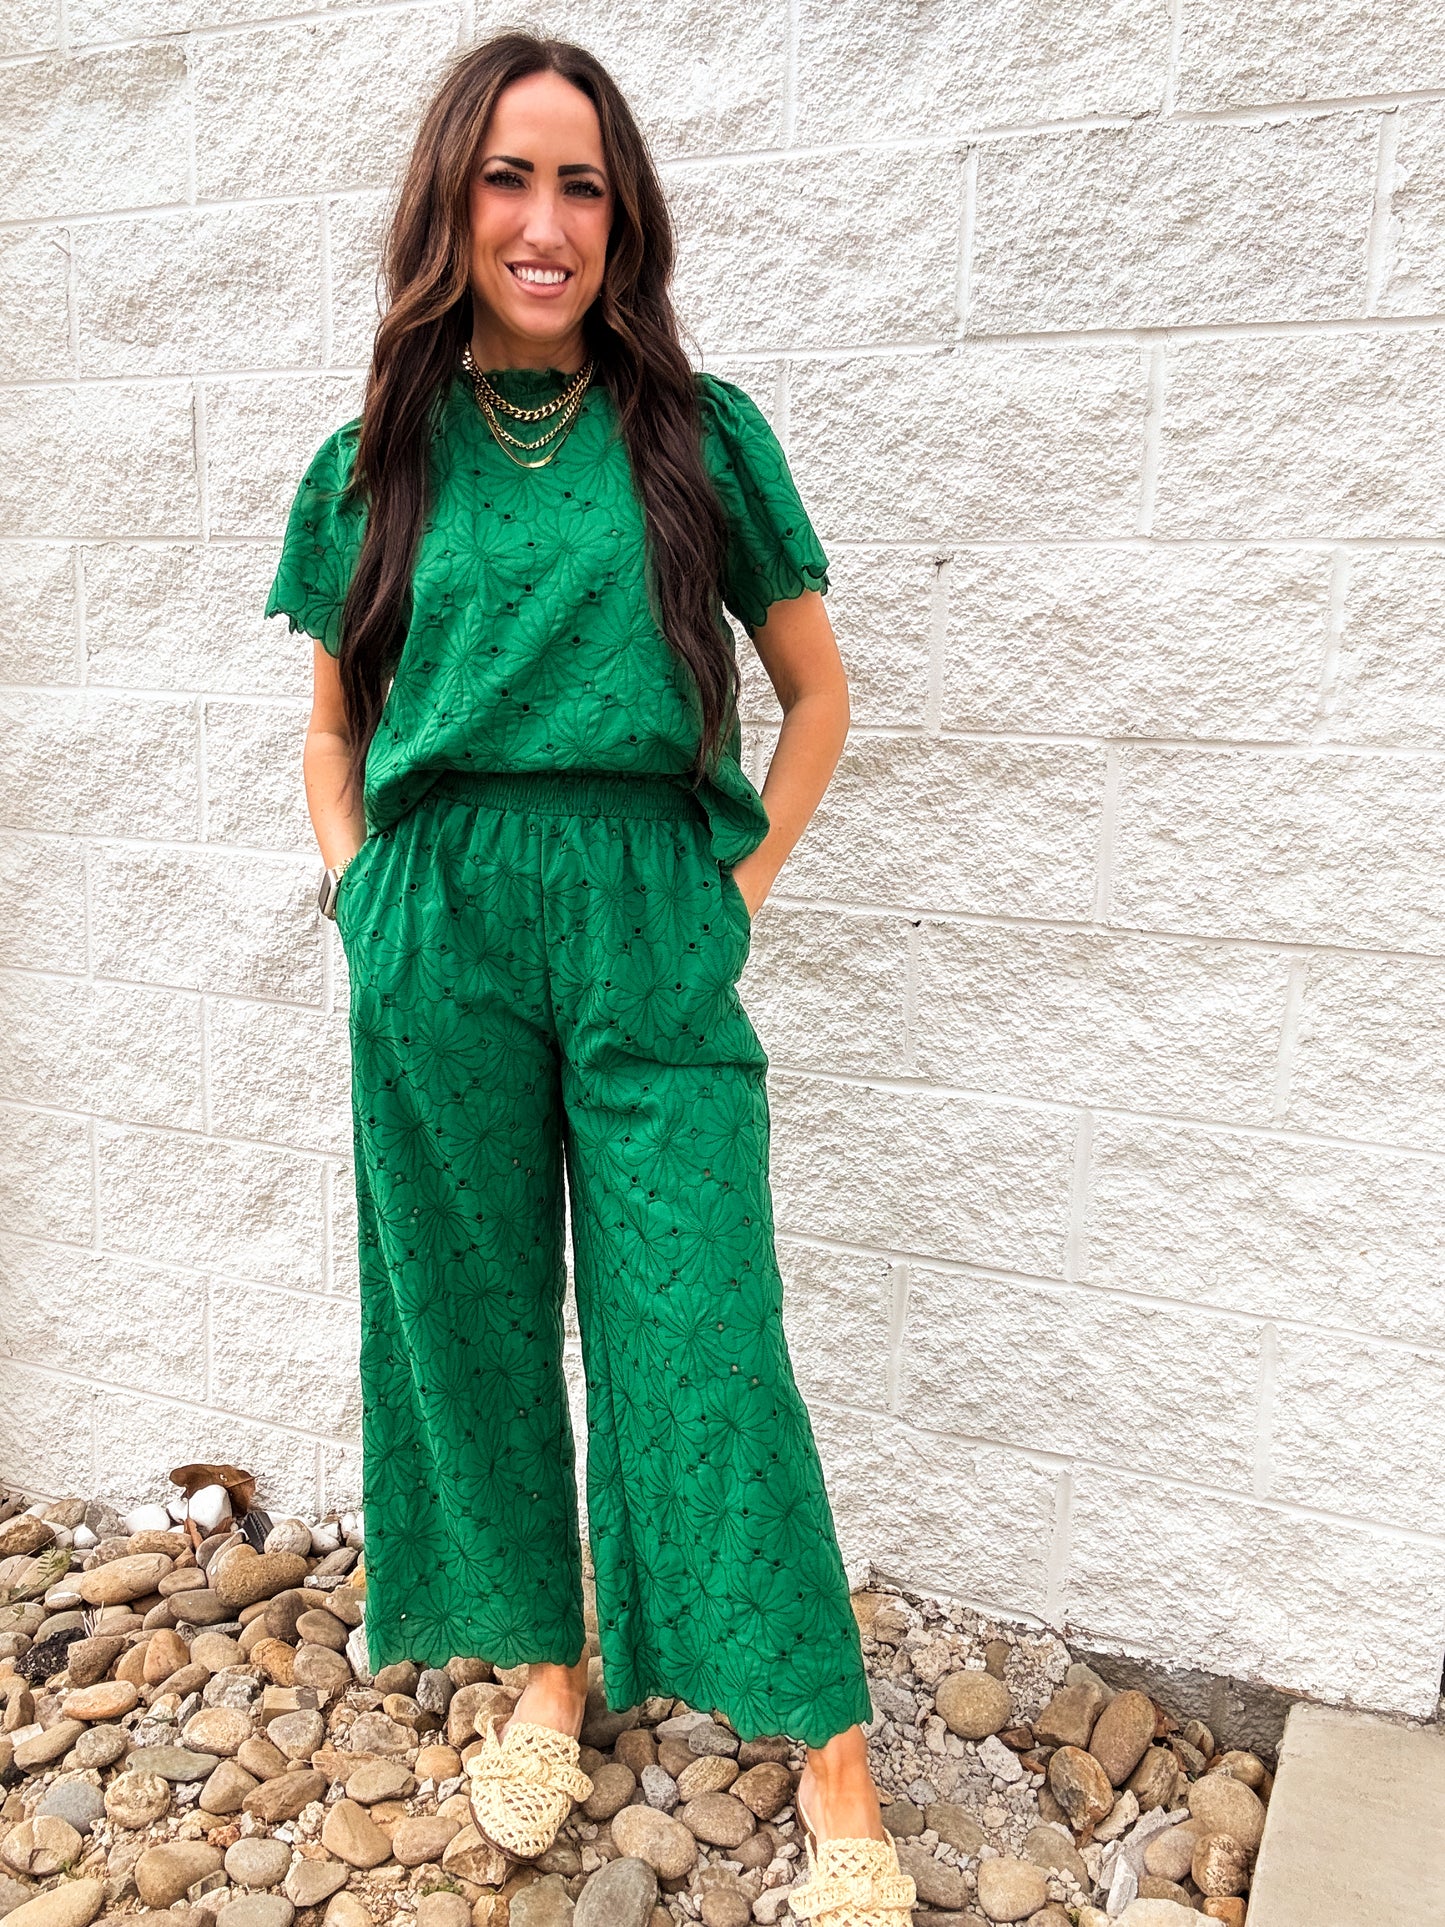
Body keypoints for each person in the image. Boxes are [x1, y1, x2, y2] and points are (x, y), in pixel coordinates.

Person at [265, 32, 916, 1925]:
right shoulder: (372, 461)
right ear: (449, 203)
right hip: (438, 924)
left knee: (702, 1322)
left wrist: (738, 888)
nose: (544, 221)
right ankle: (549, 1666)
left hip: (648, 911)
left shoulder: (699, 437)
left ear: (622, 220)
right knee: (468, 1318)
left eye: (581, 185)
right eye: (507, 177)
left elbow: (816, 695)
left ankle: (831, 1744)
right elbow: (333, 726)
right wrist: (362, 892)